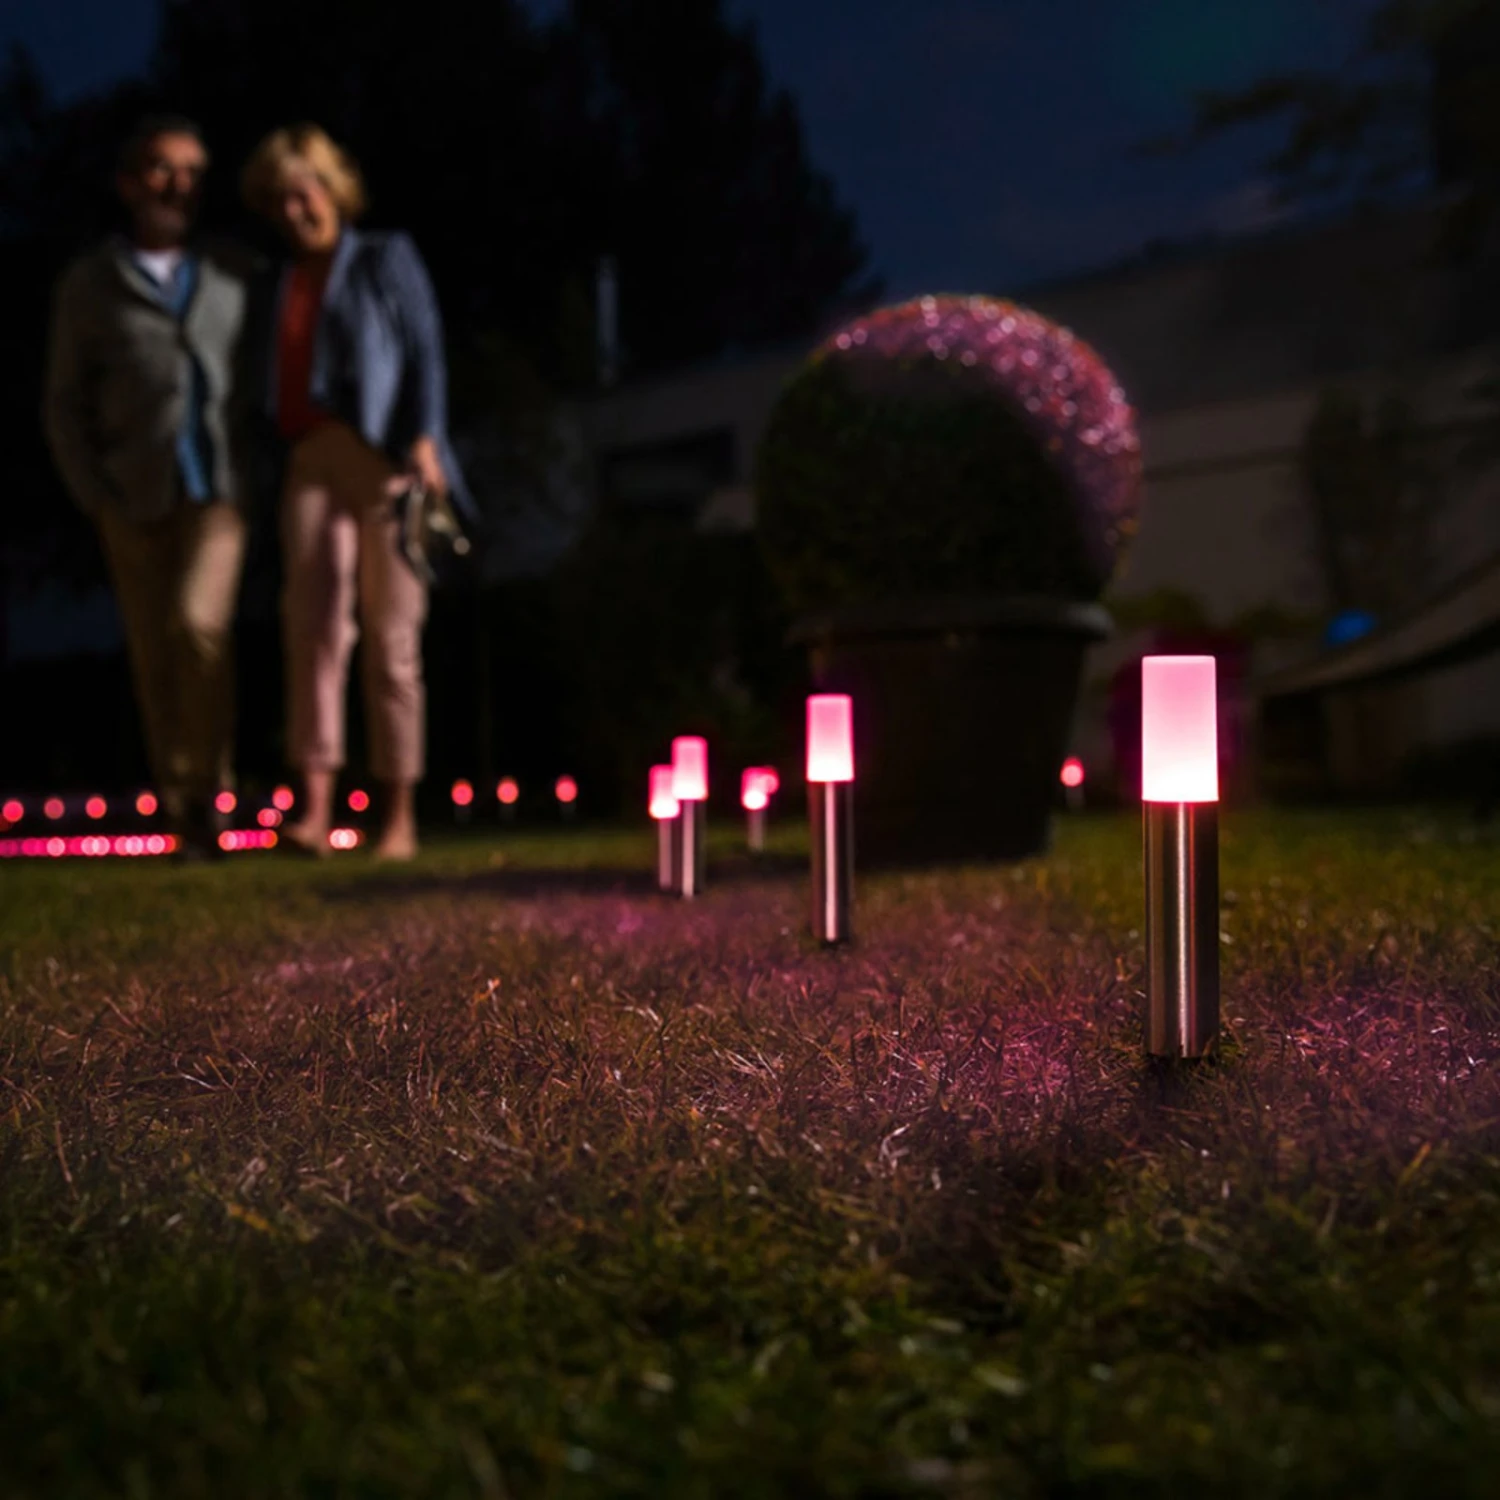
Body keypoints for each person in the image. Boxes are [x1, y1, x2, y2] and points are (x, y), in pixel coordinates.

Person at [242, 124, 472, 862]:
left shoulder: (383, 256)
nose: (294, 209)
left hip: (382, 454)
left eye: (303, 190)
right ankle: (314, 811)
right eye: (279, 199)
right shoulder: (278, 280)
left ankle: (398, 817)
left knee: (392, 636)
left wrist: (427, 437)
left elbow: (425, 348)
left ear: (332, 187)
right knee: (311, 629)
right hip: (309, 457)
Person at [44, 116, 256, 860]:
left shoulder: (232, 272)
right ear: (131, 183)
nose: (180, 185)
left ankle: (211, 787)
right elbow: (63, 401)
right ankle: (183, 809)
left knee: (199, 628)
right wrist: (94, 493)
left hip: (219, 489)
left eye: (193, 171)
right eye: (165, 169)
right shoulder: (92, 283)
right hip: (132, 491)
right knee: (153, 653)